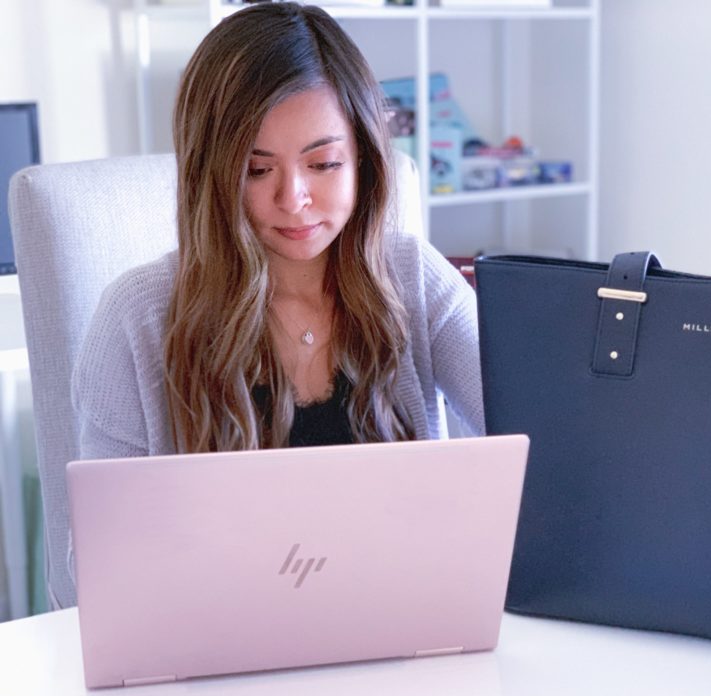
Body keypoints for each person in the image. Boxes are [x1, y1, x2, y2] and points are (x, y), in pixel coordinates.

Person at [72, 2, 484, 459]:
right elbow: (105, 528)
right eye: (256, 169)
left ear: (363, 159)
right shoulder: (137, 316)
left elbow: (540, 438)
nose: (293, 199)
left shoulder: (416, 278)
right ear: (211, 176)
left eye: (323, 164)